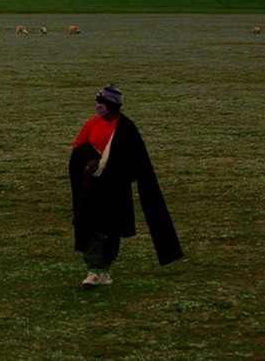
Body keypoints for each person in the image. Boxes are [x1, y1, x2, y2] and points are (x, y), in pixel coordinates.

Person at [69, 84, 183, 286]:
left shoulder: (126, 128)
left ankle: (104, 269)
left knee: (111, 231)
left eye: (101, 103)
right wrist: (88, 164)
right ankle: (93, 269)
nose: (98, 107)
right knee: (92, 229)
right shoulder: (91, 125)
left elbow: (135, 161)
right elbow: (78, 151)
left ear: (110, 105)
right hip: (93, 188)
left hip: (115, 189)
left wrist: (113, 169)